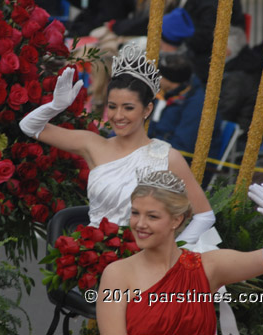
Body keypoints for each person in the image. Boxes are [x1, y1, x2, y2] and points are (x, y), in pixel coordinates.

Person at [19, 43, 215, 244]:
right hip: (93, 255)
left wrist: (171, 254)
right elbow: (29, 127)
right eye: (112, 107)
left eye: (128, 108)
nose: (118, 116)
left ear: (147, 110)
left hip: (143, 260)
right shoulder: (93, 144)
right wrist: (55, 106)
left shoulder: (166, 157)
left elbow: (204, 215)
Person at [96, 170, 263, 334]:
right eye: (135, 213)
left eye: (152, 216)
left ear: (176, 220)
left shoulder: (208, 267)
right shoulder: (118, 274)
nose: (140, 224)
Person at [148, 52, 222, 188]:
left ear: (169, 81)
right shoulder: (167, 94)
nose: (155, 78)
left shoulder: (199, 105)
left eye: (158, 75)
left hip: (181, 169)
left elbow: (183, 146)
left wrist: (146, 151)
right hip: (157, 156)